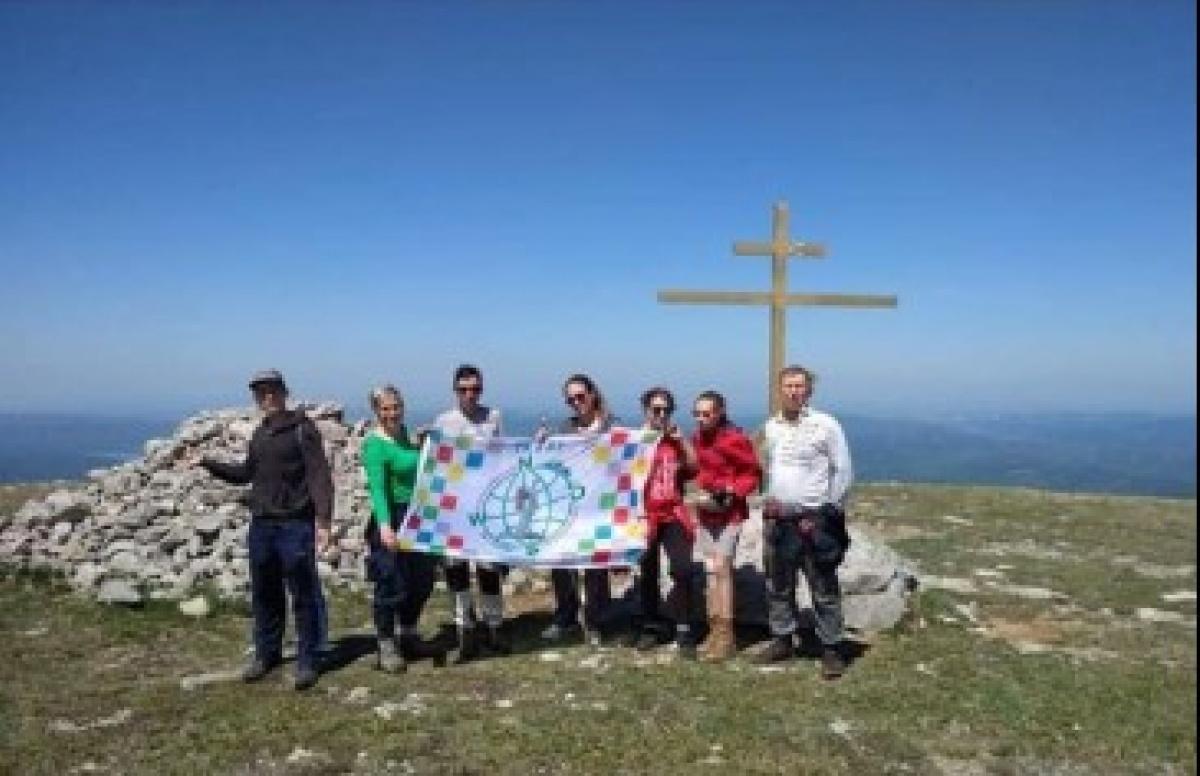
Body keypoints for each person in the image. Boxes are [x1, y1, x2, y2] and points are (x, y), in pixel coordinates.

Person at [196, 369, 332, 691]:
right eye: (260, 393)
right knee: (264, 594)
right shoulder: (260, 433)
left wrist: (324, 521)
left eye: (272, 391)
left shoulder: (304, 430)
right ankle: (266, 654)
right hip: (262, 525)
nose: (267, 398)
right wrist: (207, 463)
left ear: (284, 392)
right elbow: (246, 474)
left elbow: (319, 476)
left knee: (304, 595)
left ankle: (308, 660)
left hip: (295, 525)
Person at [757, 365, 853, 679]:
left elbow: (842, 470)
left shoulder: (826, 425)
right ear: (779, 390)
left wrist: (827, 512)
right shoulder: (771, 427)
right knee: (778, 585)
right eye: (788, 386)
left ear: (809, 390)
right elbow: (766, 467)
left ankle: (832, 648)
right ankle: (783, 639)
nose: (794, 391)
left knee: (823, 587)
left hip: (814, 520)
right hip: (778, 519)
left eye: (800, 386)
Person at [361, 385, 446, 672]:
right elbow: (377, 488)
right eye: (385, 409)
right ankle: (386, 644)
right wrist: (385, 526)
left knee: (422, 579)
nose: (391, 413)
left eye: (395, 407)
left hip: (417, 515)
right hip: (392, 518)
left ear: (402, 407)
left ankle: (408, 634)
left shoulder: (406, 437)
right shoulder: (374, 444)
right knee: (390, 582)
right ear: (376, 411)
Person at [431, 364, 509, 662]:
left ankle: (495, 626)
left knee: (489, 569)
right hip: (454, 507)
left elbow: (505, 455)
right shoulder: (444, 422)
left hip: (486, 506)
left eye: (475, 389)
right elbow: (435, 463)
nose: (470, 395)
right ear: (455, 391)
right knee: (456, 570)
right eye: (464, 389)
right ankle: (465, 631)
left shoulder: (493, 418)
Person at [539, 373, 615, 645]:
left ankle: (596, 622)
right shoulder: (565, 429)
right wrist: (543, 445)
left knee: (595, 567)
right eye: (570, 399)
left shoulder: (612, 428)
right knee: (562, 563)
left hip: (600, 508)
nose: (576, 402)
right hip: (569, 508)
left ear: (593, 394)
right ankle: (566, 618)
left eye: (580, 396)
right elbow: (552, 463)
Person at [627, 386, 703, 659]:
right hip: (644, 515)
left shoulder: (676, 440)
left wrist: (681, 441)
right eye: (655, 409)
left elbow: (694, 469)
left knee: (682, 569)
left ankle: (684, 627)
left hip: (673, 513)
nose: (660, 415)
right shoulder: (634, 441)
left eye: (666, 410)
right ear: (645, 411)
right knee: (647, 572)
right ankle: (651, 625)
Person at [690, 390, 761, 661]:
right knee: (711, 569)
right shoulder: (697, 438)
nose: (701, 419)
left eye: (706, 414)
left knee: (722, 568)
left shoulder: (734, 439)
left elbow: (752, 473)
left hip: (729, 513)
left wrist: (732, 492)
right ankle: (714, 629)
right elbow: (697, 468)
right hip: (707, 512)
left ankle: (727, 635)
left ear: (720, 412)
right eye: (696, 414)